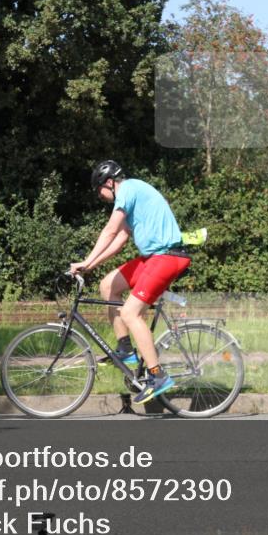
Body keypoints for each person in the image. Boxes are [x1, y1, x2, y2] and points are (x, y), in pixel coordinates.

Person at [69, 160, 190, 404]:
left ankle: (157, 376)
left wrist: (86, 260)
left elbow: (109, 231)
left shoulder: (127, 190)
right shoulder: (131, 196)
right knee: (107, 286)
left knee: (129, 313)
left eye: (99, 192)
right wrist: (90, 265)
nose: (100, 197)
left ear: (109, 183)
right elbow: (119, 240)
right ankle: (125, 349)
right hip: (153, 258)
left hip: (167, 257)